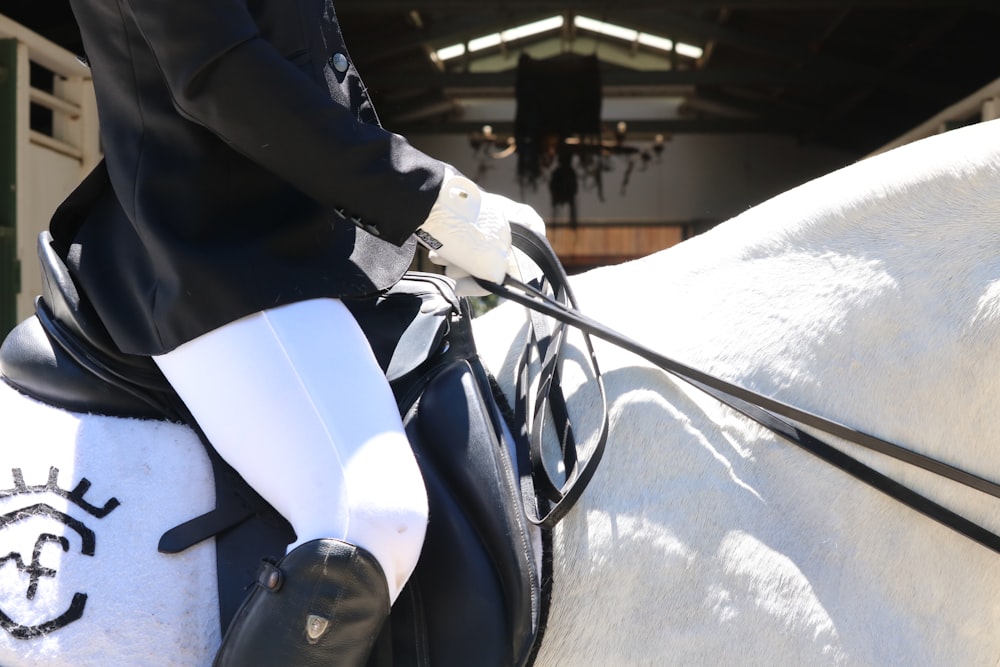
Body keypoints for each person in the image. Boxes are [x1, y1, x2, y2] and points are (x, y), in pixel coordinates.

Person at [56, 1, 543, 665]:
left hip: (309, 244)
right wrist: (426, 198)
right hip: (208, 249)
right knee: (370, 516)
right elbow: (220, 73)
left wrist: (433, 203)